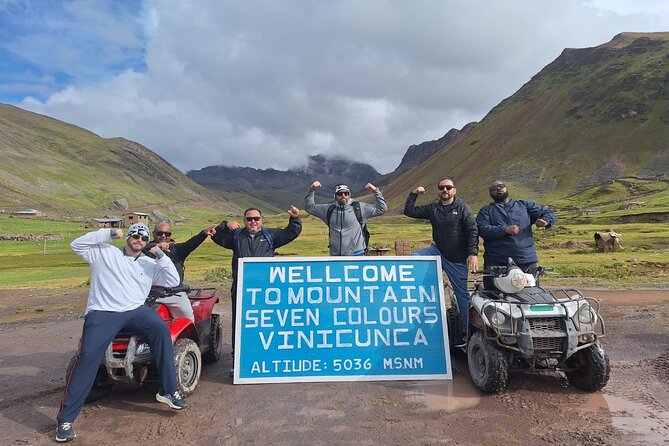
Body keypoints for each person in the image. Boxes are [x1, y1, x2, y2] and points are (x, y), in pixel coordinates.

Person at [56, 223, 187, 443]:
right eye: (135, 235)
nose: (139, 240)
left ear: (147, 242)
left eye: (144, 238)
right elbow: (76, 244)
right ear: (127, 237)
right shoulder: (104, 253)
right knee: (87, 356)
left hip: (136, 311)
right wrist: (107, 233)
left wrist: (160, 255)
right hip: (103, 312)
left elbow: (174, 281)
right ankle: (65, 420)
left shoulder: (148, 263)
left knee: (161, 331)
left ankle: (168, 391)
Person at [211, 206, 302, 375]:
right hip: (241, 287)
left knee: (269, 322)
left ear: (262, 220)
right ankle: (238, 361)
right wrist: (225, 224)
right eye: (249, 219)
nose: (253, 221)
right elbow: (215, 235)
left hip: (267, 289)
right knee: (240, 323)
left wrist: (295, 218)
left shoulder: (270, 235)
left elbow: (292, 232)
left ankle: (267, 357)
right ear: (244, 221)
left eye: (256, 218)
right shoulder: (236, 236)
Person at [403, 176, 478, 346]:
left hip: (457, 259)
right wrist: (414, 194)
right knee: (414, 259)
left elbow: (472, 231)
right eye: (442, 188)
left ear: (454, 190)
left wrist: (472, 253)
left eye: (448, 187)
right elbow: (409, 211)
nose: (445, 190)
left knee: (462, 296)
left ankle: (465, 336)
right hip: (437, 250)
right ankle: (424, 292)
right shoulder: (433, 208)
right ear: (438, 191)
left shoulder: (463, 208)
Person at [476, 180, 556, 272]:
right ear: (490, 193)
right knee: (493, 287)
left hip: (526, 260)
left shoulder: (524, 206)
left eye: (501, 186)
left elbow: (547, 212)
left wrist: (546, 221)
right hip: (497, 262)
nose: (498, 188)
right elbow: (482, 229)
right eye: (494, 188)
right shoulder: (486, 211)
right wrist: (505, 230)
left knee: (531, 287)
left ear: (506, 188)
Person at [145, 221, 217, 321]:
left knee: (188, 320)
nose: (163, 236)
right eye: (159, 233)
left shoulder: (177, 250)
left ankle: (189, 337)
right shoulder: (146, 250)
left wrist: (203, 234)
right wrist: (156, 247)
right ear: (153, 234)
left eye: (167, 234)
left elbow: (191, 244)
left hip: (175, 295)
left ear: (170, 235)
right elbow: (134, 247)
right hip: (151, 295)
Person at [304, 181, 387, 256]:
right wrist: (312, 189)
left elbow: (382, 209)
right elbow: (309, 207)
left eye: (346, 193)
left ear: (349, 195)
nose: (343, 196)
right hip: (336, 257)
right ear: (335, 196)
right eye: (340, 194)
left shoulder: (359, 208)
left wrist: (375, 190)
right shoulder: (328, 210)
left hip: (357, 254)